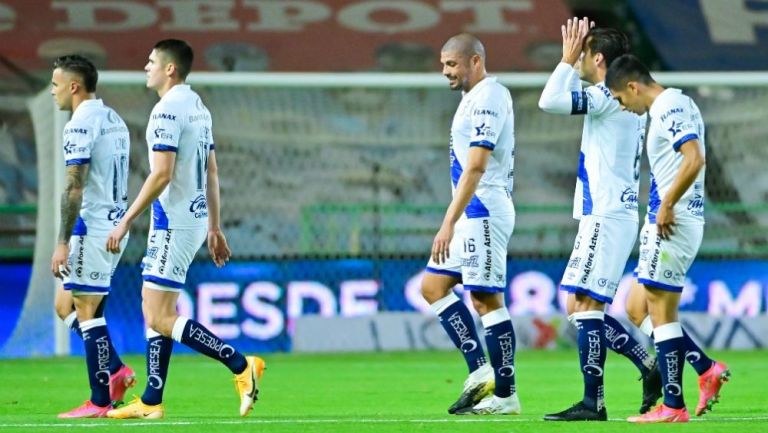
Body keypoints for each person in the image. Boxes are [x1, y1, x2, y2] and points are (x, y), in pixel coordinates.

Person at [104, 39, 264, 419]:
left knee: (159, 316)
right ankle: (151, 400)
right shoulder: (198, 108)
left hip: (173, 224)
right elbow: (211, 171)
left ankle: (242, 365)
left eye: (151, 61)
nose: (146, 67)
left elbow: (162, 174)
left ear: (169, 69)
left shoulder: (166, 112)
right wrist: (215, 226)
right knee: (157, 309)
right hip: (189, 221)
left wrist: (126, 220)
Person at [538, 18, 661, 421]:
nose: (577, 59)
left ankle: (596, 402)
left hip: (606, 215)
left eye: (583, 52)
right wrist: (574, 62)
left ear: (599, 59)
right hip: (610, 213)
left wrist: (564, 59)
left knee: (584, 306)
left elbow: (550, 101)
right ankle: (645, 365)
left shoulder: (608, 97)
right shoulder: (621, 95)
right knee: (578, 304)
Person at [606, 54, 729, 422]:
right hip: (667, 220)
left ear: (633, 86)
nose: (622, 106)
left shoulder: (668, 106)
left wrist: (668, 204)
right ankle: (705, 368)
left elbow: (694, 158)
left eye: (619, 98)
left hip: (672, 222)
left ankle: (673, 406)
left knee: (662, 313)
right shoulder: (679, 102)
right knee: (635, 306)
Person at [421, 33, 520, 415]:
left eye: (451, 64)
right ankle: (481, 370)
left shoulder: (490, 97)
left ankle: (507, 395)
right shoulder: (470, 99)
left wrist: (447, 222)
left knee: (485, 300)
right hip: (470, 213)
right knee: (433, 286)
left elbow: (477, 164)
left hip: (483, 210)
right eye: (443, 64)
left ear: (475, 61)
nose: (445, 71)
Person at [49, 54, 134, 418]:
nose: (52, 92)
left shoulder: (79, 124)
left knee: (87, 312)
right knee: (64, 305)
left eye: (55, 85)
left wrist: (62, 242)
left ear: (73, 86)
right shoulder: (113, 118)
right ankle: (115, 368)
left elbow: (74, 188)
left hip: (94, 227)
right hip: (111, 225)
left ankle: (100, 401)